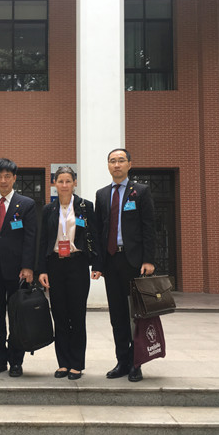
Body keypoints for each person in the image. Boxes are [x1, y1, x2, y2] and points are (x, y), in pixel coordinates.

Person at [94, 148, 155, 382]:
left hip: (134, 263)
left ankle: (136, 363)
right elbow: (99, 231)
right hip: (111, 261)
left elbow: (149, 227)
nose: (116, 164)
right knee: (117, 316)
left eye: (121, 160)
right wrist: (98, 264)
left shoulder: (141, 191)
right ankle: (122, 361)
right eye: (112, 161)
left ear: (129, 164)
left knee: (135, 315)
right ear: (108, 165)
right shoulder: (102, 194)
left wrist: (148, 260)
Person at [37, 167, 102, 380]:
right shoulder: (48, 209)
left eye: (68, 181)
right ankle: (63, 363)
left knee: (77, 315)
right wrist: (42, 270)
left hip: (78, 264)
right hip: (55, 265)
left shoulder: (85, 206)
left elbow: (95, 235)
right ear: (54, 183)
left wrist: (97, 264)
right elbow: (42, 241)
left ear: (75, 183)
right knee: (60, 315)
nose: (64, 185)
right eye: (60, 181)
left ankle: (76, 364)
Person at [0, 158, 37, 378]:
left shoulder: (26, 204)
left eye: (7, 176)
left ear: (14, 178)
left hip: (17, 272)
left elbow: (30, 238)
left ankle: (16, 360)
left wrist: (28, 267)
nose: (3, 180)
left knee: (16, 317)